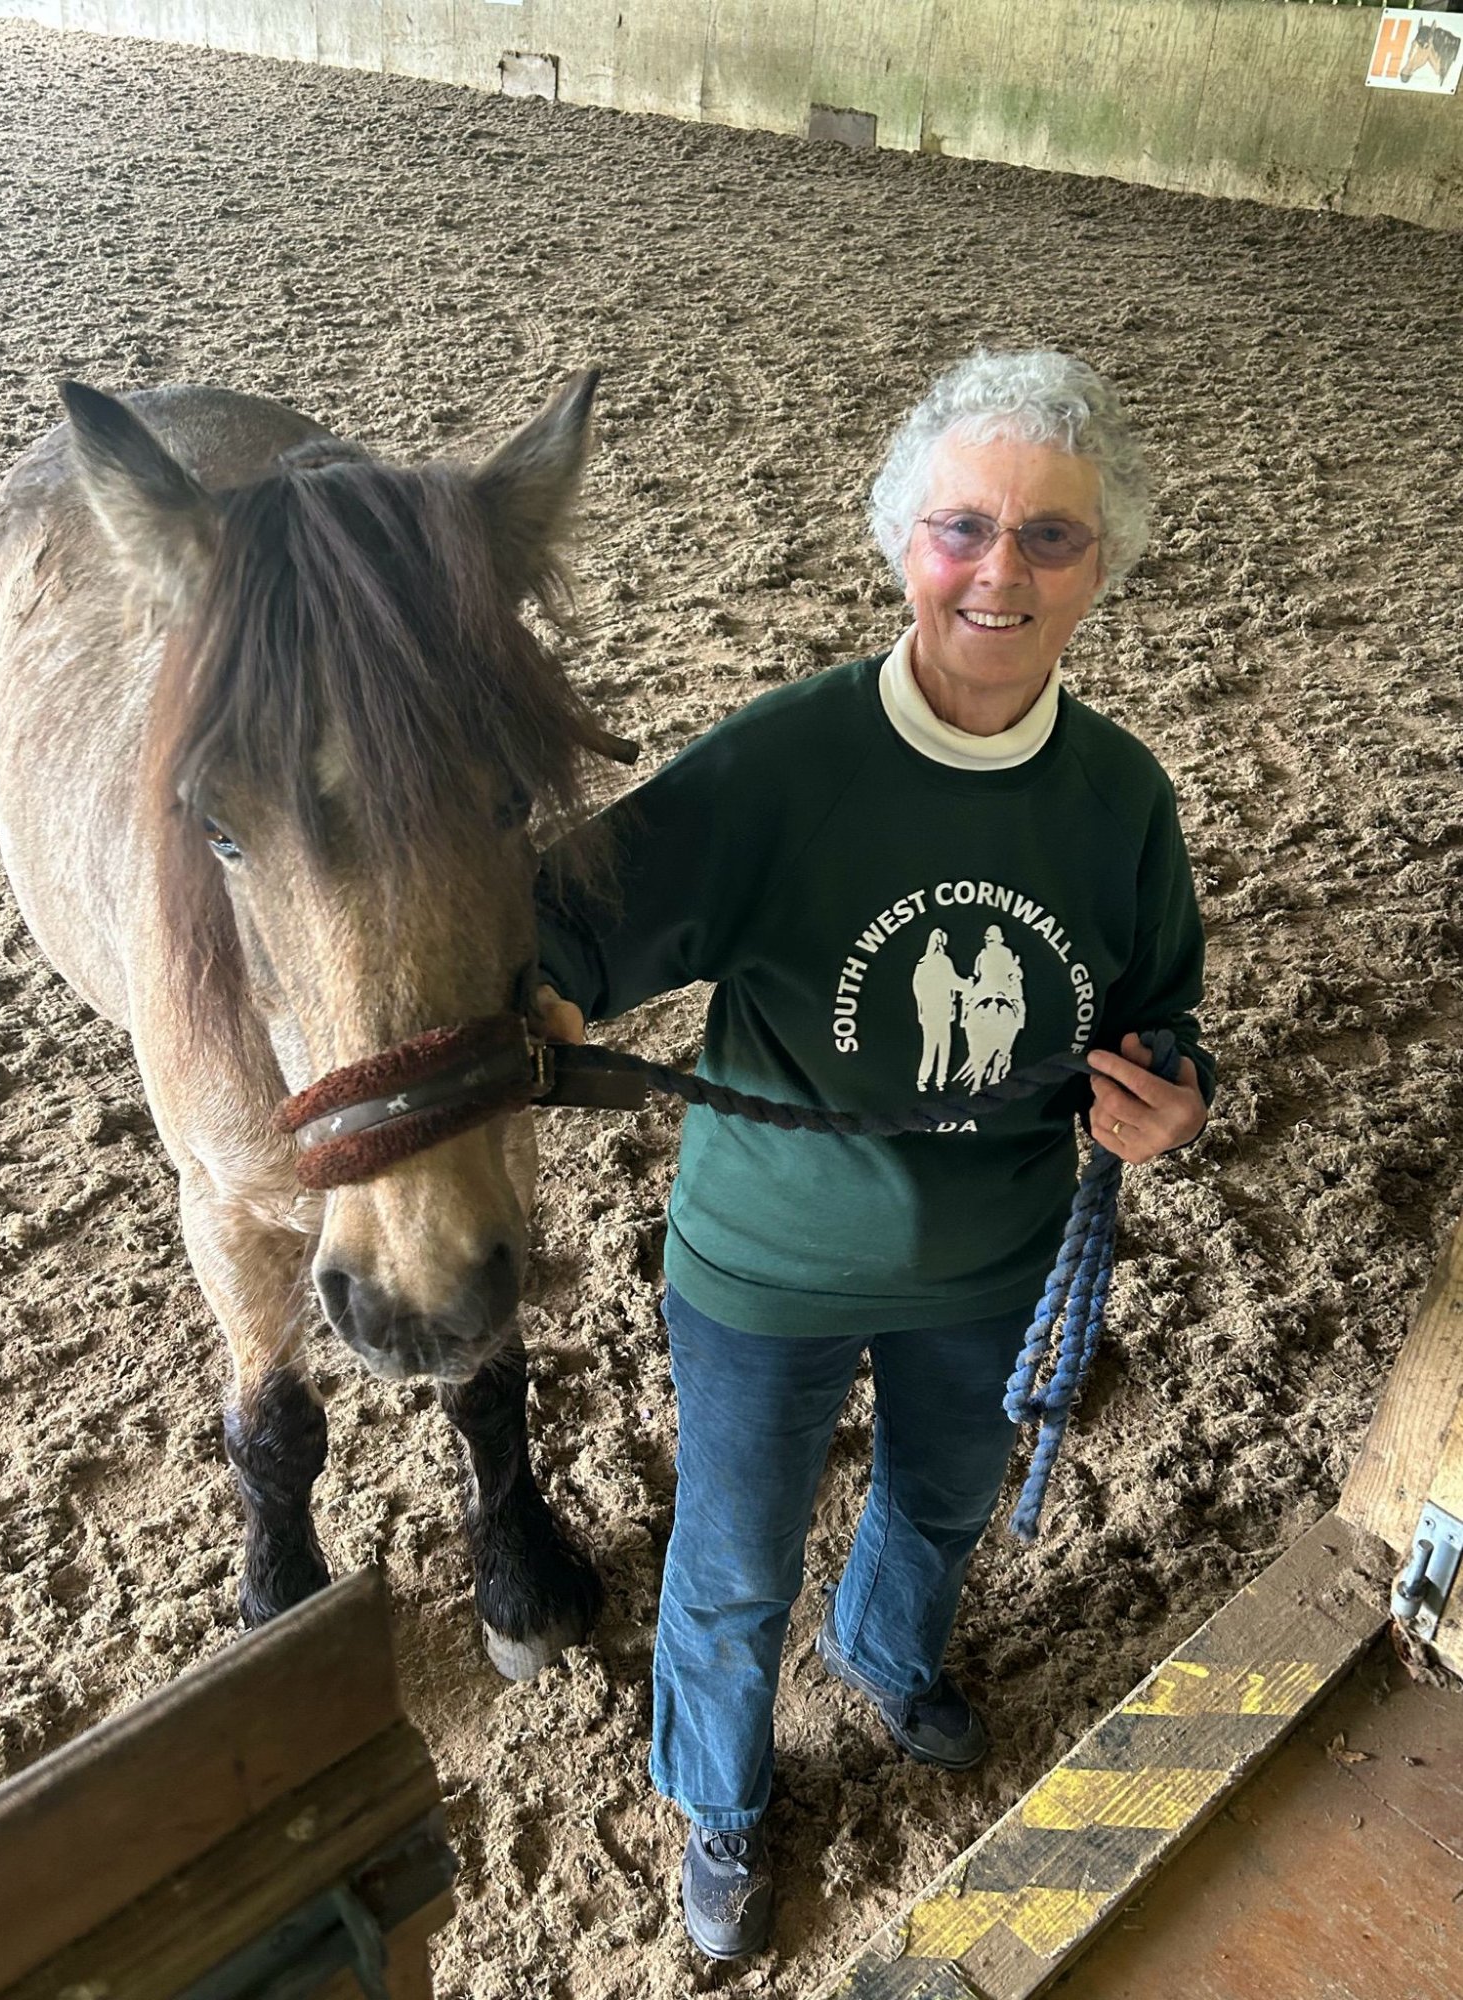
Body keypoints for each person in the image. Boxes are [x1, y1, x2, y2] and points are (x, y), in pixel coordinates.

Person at [534, 348, 1213, 1960]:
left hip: (997, 1260)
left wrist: (1171, 1104)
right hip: (767, 1271)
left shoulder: (1122, 799)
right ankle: (718, 1790)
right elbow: (562, 932)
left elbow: (1163, 1015)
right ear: (901, 541)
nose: (1002, 569)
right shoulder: (782, 764)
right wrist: (520, 1001)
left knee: (941, 1496)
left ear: (1099, 567)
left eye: (1051, 536)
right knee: (727, 1561)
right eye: (963, 526)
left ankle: (892, 1652)